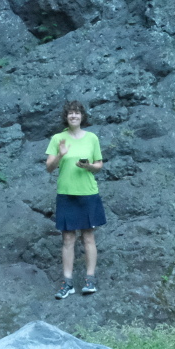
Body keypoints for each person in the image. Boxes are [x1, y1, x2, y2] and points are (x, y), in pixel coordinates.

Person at [44, 100, 106, 299]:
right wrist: (60, 156)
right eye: (70, 113)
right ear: (66, 117)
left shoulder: (92, 138)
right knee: (68, 238)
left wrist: (88, 167)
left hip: (87, 192)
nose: (74, 116)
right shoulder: (57, 138)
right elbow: (49, 167)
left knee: (88, 236)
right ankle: (67, 282)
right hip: (66, 193)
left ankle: (90, 279)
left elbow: (99, 165)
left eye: (77, 113)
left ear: (82, 116)